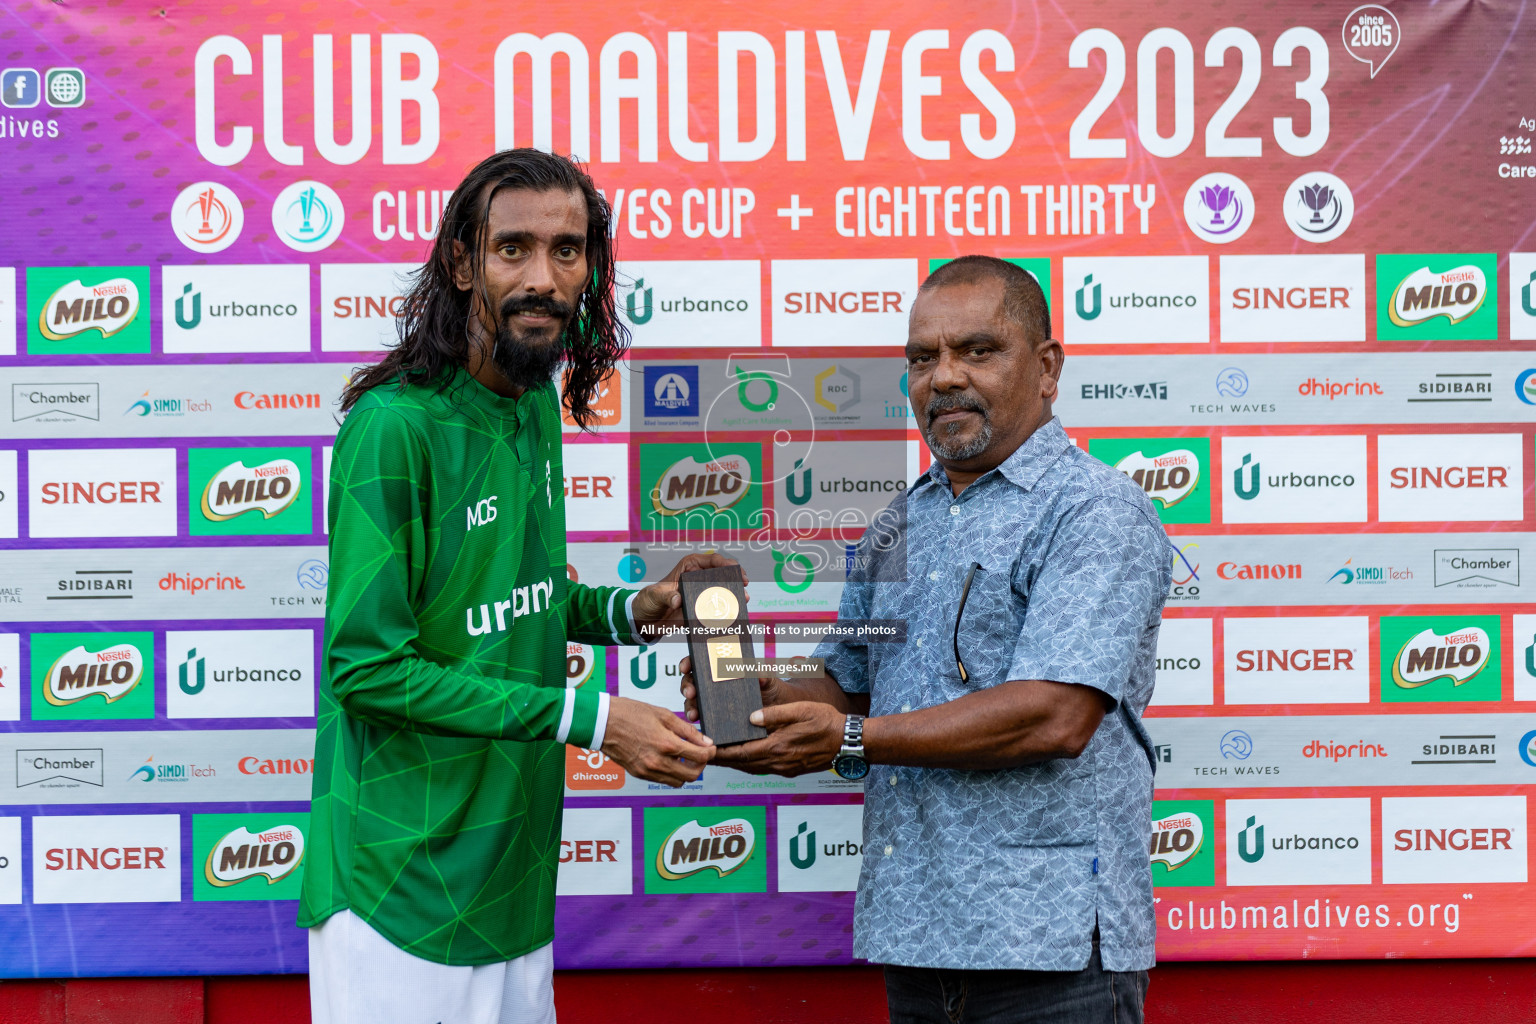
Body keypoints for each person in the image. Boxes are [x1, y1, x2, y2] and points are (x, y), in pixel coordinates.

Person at [682, 256, 1171, 1024]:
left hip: (1047, 952)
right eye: (922, 357)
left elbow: (1055, 715)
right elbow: (851, 679)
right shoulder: (898, 523)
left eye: (978, 351)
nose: (943, 378)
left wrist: (845, 737)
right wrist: (757, 688)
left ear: (1047, 369)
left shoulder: (1095, 511)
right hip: (915, 936)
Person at [302, 148, 730, 1024]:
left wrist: (629, 612)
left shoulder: (533, 399)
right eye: (514, 249)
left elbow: (517, 601)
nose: (544, 277)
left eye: (567, 251)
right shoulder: (394, 427)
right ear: (463, 262)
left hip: (513, 877)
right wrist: (598, 721)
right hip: (400, 885)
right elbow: (367, 668)